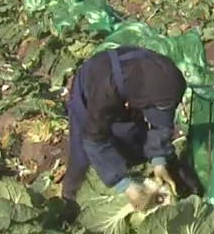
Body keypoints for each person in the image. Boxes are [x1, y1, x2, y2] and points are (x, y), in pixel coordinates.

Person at [61, 46, 199, 209]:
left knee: (130, 136)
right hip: (93, 84)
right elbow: (95, 139)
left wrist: (159, 160)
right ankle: (70, 199)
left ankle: (140, 168)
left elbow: (161, 123)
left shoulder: (165, 81)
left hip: (133, 83)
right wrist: (124, 185)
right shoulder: (103, 93)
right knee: (83, 152)